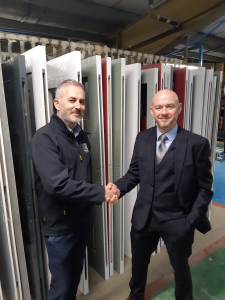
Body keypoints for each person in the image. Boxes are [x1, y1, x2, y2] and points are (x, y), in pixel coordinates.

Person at [108, 89, 213, 300]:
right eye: (159, 107)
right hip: (144, 217)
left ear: (179, 109)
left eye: (169, 107)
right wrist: (118, 188)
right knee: (138, 265)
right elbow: (134, 173)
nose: (164, 112)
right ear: (152, 111)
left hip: (178, 219)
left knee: (181, 269)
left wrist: (190, 221)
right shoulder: (143, 138)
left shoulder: (196, 144)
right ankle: (135, 296)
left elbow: (205, 188)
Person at [29, 79, 119, 300]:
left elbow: (84, 177)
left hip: (82, 222)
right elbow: (57, 184)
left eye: (82, 101)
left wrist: (101, 192)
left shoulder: (81, 136)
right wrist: (101, 193)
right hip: (60, 228)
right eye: (72, 100)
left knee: (74, 278)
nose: (78, 105)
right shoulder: (44, 138)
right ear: (57, 103)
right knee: (60, 287)